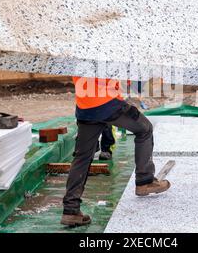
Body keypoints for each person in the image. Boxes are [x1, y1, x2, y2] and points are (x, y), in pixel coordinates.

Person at [61, 77, 171, 226]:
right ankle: (145, 181)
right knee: (145, 129)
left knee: (82, 156)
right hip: (108, 104)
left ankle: (71, 210)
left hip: (85, 107)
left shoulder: (77, 53)